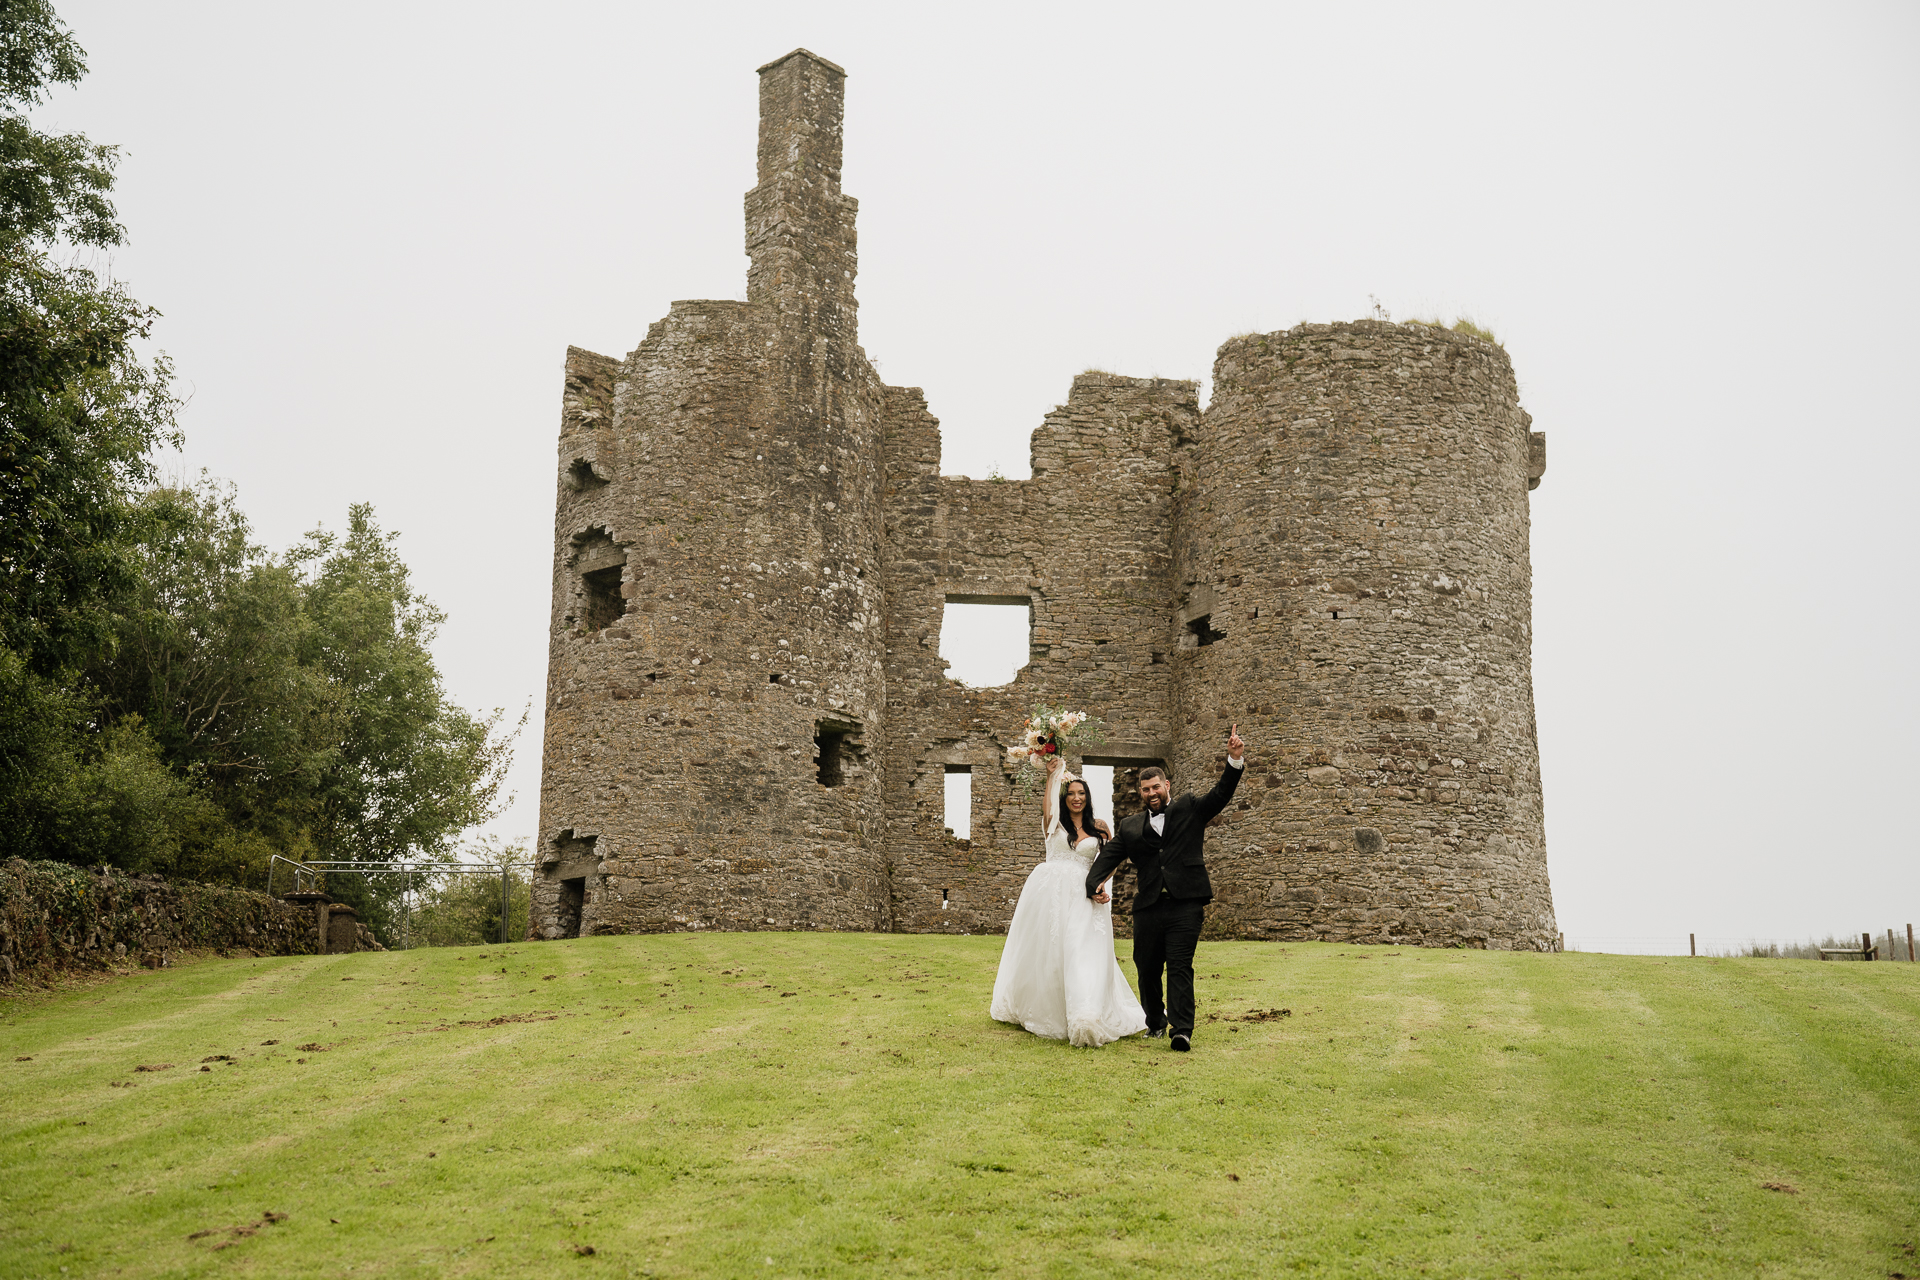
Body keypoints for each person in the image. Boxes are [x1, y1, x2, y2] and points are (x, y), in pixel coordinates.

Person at [1084, 725, 1246, 1052]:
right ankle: (1155, 1023)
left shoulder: (1188, 807)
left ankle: (1181, 1030)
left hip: (1186, 902)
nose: (1151, 793)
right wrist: (1092, 884)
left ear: (1166, 786)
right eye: (1145, 789)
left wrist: (1234, 759)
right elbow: (1109, 857)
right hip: (1148, 908)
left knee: (1179, 965)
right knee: (1146, 969)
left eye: (1156, 786)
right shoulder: (1130, 827)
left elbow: (1220, 795)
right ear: (1141, 792)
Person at [989, 756, 1149, 1047]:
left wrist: (1100, 883)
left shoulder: (1099, 828)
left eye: (1082, 793)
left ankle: (1085, 1013)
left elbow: (1110, 860)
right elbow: (1048, 803)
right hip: (1049, 893)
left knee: (1081, 948)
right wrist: (1052, 775)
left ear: (1088, 798)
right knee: (1050, 949)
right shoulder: (1054, 822)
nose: (1077, 798)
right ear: (1064, 797)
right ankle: (1049, 1008)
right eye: (1072, 793)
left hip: (1083, 893)